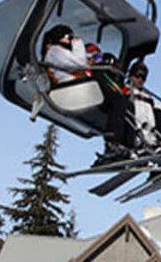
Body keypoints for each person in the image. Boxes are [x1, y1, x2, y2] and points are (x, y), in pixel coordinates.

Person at [42, 24, 133, 162]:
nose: (72, 41)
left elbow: (78, 64)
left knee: (123, 104)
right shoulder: (54, 51)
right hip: (72, 90)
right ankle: (112, 144)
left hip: (79, 88)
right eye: (69, 38)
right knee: (117, 99)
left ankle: (127, 145)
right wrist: (78, 44)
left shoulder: (59, 52)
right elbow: (80, 63)